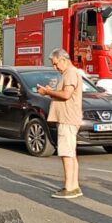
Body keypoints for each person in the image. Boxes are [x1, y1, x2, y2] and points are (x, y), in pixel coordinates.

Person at [36, 48, 84, 198]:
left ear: (63, 60)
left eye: (56, 63)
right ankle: (74, 186)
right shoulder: (70, 73)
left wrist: (47, 92)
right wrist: (51, 91)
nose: (55, 67)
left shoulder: (70, 73)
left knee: (66, 153)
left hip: (67, 119)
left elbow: (66, 94)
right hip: (69, 118)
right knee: (71, 153)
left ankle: (69, 188)